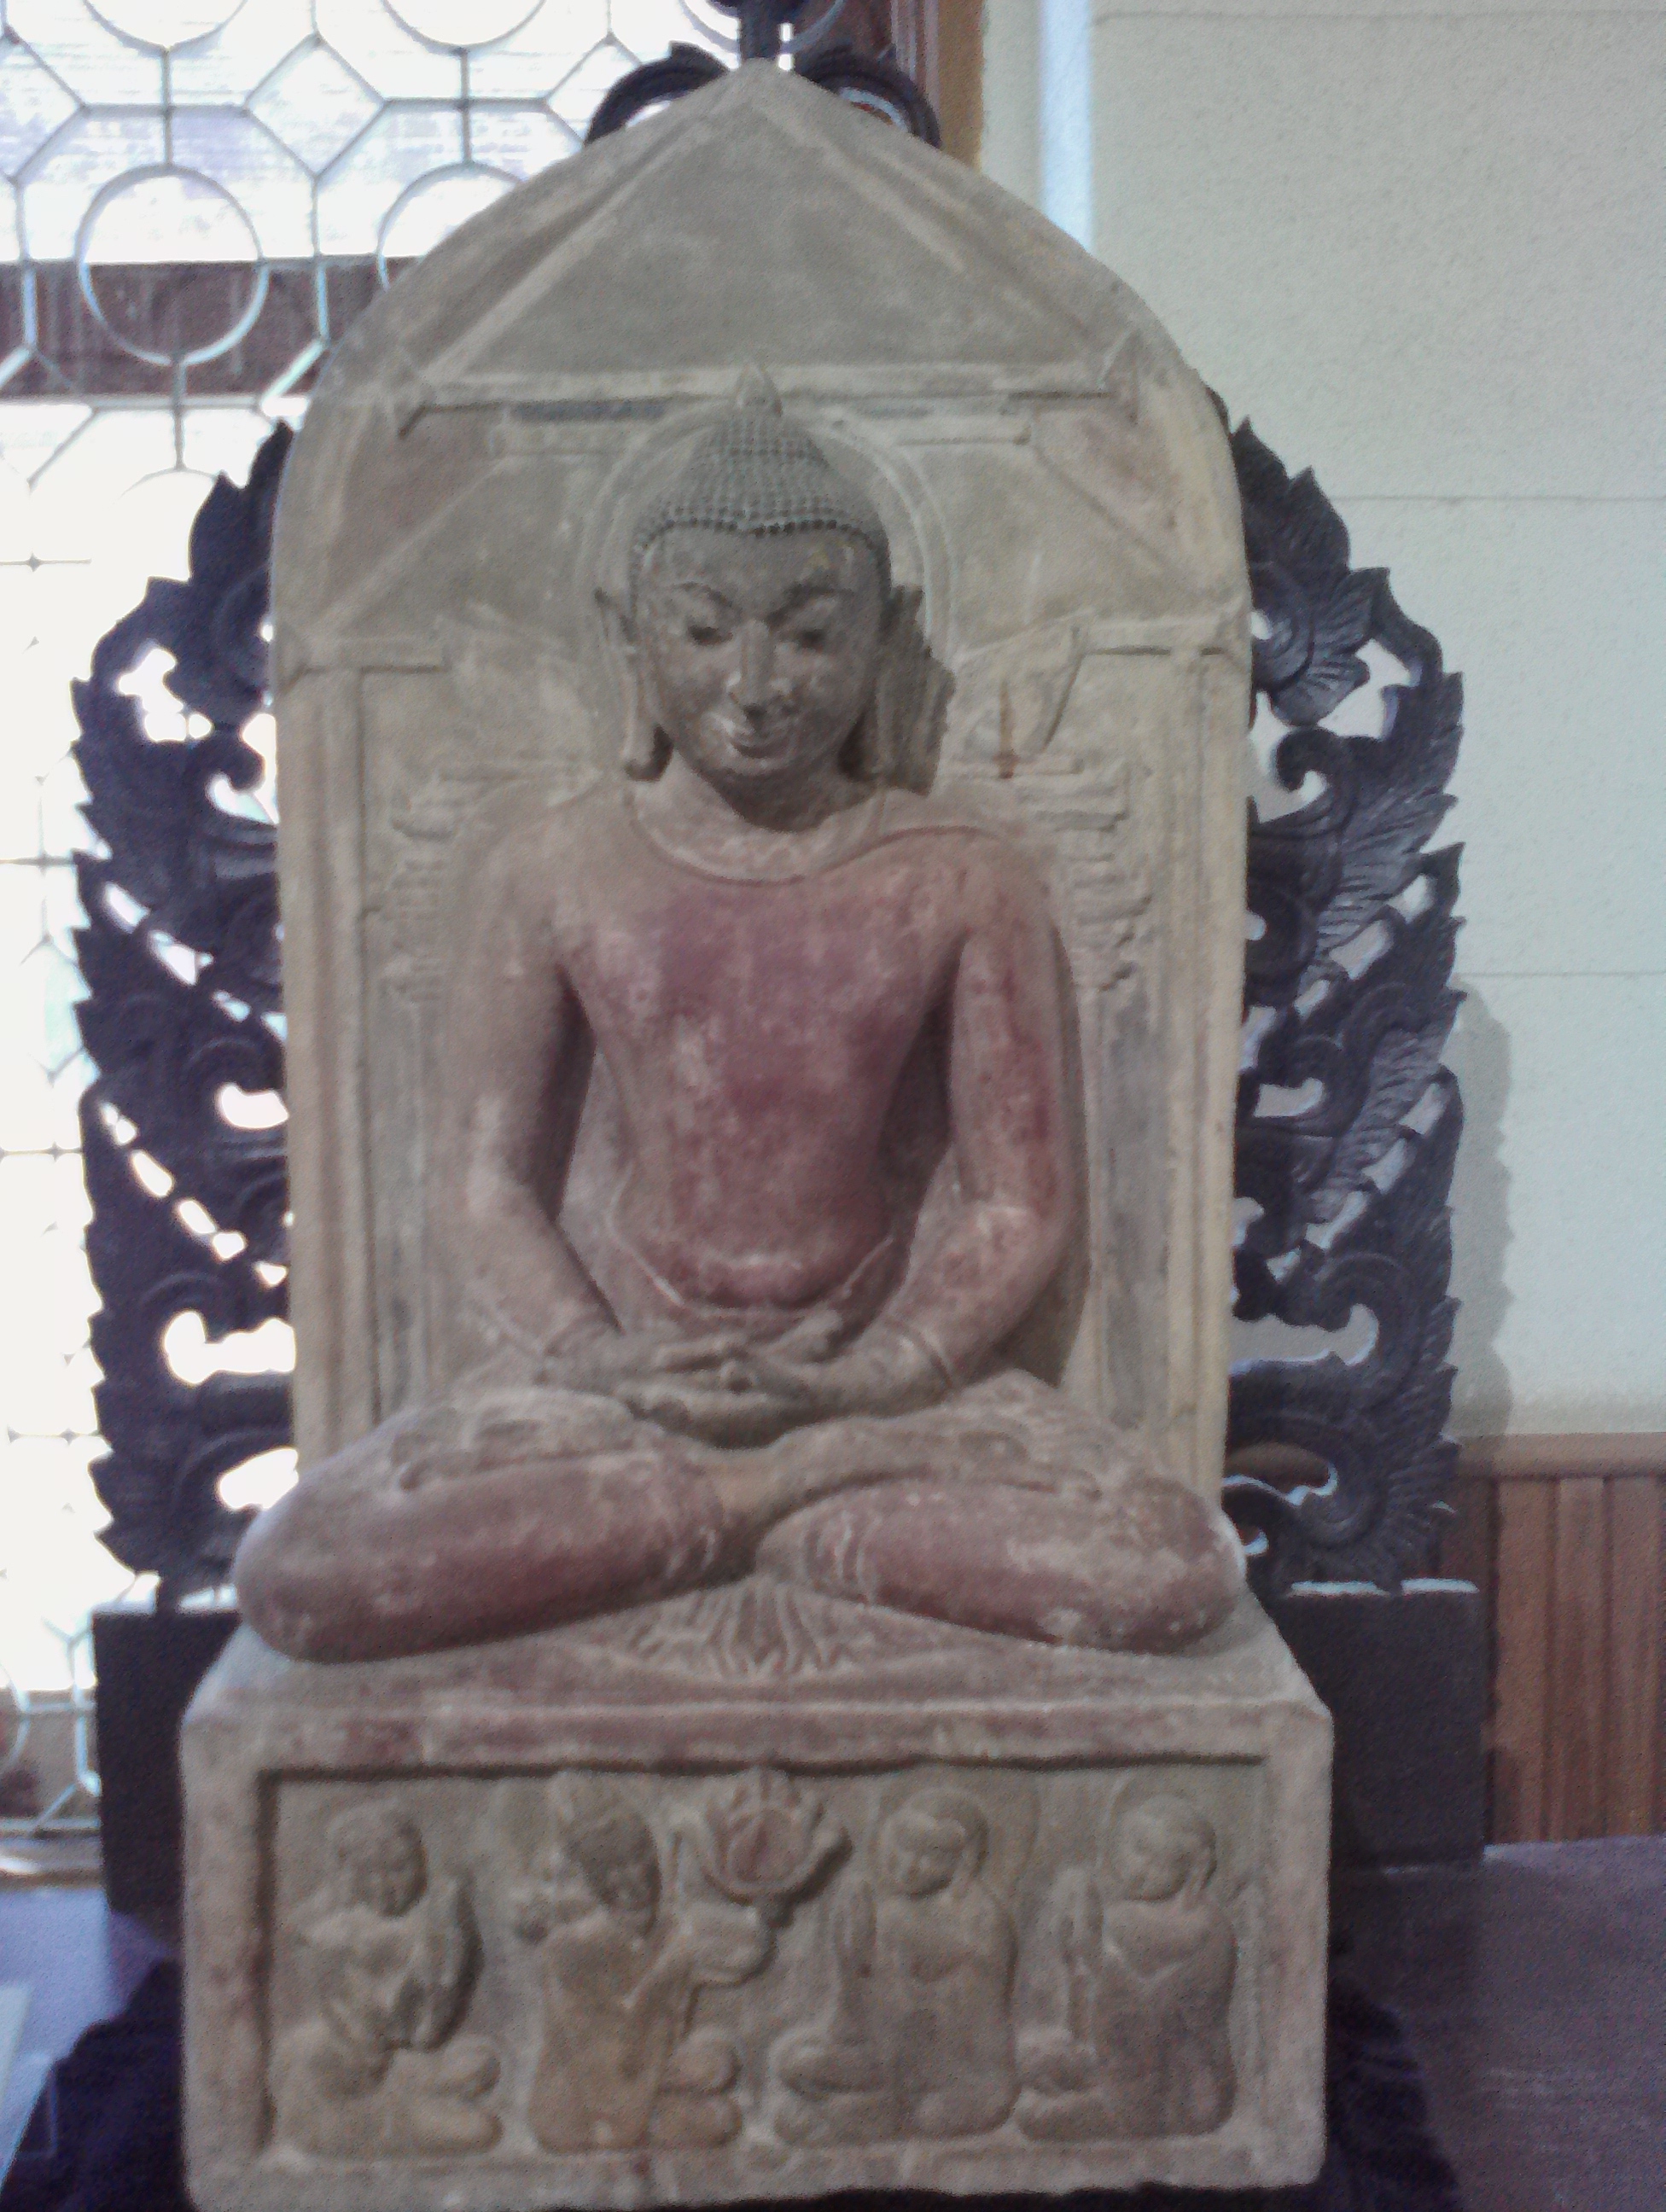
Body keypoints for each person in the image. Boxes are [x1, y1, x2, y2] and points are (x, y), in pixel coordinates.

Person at [236, 393, 1242, 1665]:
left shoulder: (961, 876)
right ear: (631, 639)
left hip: (880, 1384)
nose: (758, 687)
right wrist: (599, 1362)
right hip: (631, 1385)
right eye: (706, 631)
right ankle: (777, 1513)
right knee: (307, 1571)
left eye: (813, 636)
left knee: (1170, 1566)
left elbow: (1016, 1204)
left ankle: (680, 1530)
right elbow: (485, 1185)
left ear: (886, 642)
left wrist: (886, 1373)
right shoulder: (554, 869)